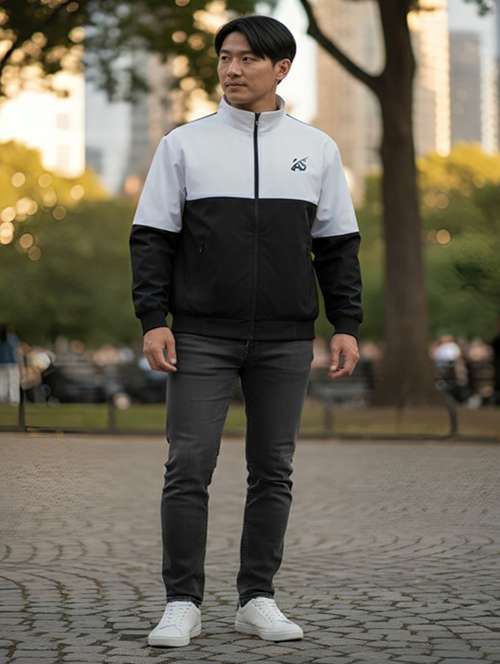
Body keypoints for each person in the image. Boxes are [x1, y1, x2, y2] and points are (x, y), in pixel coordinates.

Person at [129, 14, 363, 648]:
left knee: (273, 469)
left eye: (246, 59)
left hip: (286, 338)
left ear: (280, 68)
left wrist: (345, 324)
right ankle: (182, 602)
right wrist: (153, 320)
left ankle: (257, 598)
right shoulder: (184, 144)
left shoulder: (317, 148)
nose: (231, 70)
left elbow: (338, 246)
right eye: (225, 58)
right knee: (188, 465)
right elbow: (151, 238)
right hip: (201, 334)